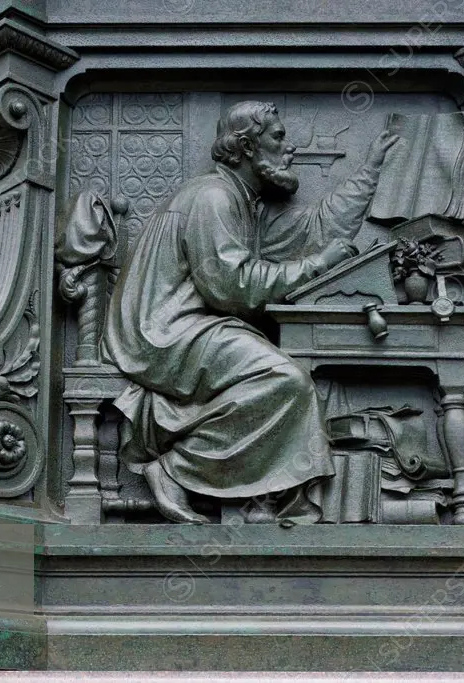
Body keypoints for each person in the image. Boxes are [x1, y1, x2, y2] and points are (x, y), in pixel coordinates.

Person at [102, 101, 398, 523]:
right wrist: (319, 265)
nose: (290, 148)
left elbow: (317, 231)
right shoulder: (213, 196)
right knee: (286, 380)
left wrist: (371, 169)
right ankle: (175, 470)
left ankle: (261, 498)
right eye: (278, 137)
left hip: (191, 327)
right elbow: (232, 286)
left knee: (286, 378)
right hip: (164, 332)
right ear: (246, 147)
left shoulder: (245, 201)